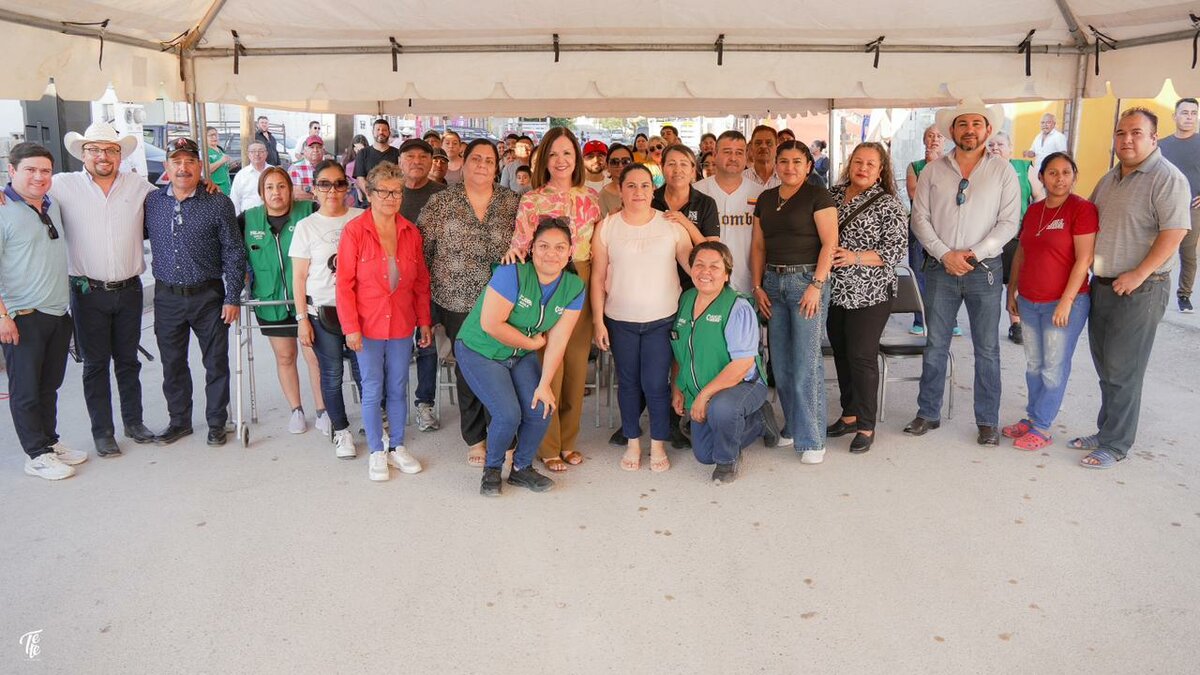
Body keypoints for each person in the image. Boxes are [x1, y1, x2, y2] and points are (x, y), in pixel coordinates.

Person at [1077, 108, 1190, 469]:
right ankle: (1105, 431)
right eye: (1121, 133)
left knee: (1124, 370)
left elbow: (1175, 232)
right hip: (1104, 284)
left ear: (1154, 138)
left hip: (1141, 289)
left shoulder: (1167, 178)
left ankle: (1115, 444)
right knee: (1106, 366)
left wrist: (1139, 274)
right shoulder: (1110, 178)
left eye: (1136, 133)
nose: (1127, 139)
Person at [906, 99, 1020, 446]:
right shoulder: (932, 171)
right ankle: (928, 412)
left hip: (984, 270)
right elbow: (919, 219)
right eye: (962, 124)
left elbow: (1008, 223)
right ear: (952, 130)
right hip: (940, 269)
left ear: (988, 130)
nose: (969, 130)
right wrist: (944, 254)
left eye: (976, 124)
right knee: (935, 345)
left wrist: (973, 254)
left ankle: (987, 421)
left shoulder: (1003, 171)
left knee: (987, 349)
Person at [50, 123, 158, 456]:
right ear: (83, 154)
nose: (103, 156)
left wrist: (206, 185)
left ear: (120, 155)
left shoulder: (138, 185)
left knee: (128, 361)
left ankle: (134, 423)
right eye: (95, 149)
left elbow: (173, 198)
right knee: (95, 365)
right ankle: (103, 432)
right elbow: (27, 191)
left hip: (129, 290)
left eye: (111, 149)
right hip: (87, 292)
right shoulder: (62, 185)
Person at [455, 219, 584, 496]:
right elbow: (491, 324)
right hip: (481, 350)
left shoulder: (574, 287)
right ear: (532, 248)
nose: (551, 254)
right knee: (507, 414)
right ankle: (492, 469)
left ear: (570, 252)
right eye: (544, 246)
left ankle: (521, 468)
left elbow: (558, 341)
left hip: (520, 355)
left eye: (560, 247)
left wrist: (544, 384)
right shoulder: (511, 273)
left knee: (541, 407)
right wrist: (531, 342)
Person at [502, 126, 600, 472]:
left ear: (577, 159)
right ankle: (548, 444)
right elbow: (520, 244)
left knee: (576, 363)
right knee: (548, 363)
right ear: (544, 159)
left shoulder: (591, 199)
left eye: (567, 153)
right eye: (554, 154)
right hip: (545, 281)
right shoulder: (532, 200)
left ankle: (569, 440)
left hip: (582, 278)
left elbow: (599, 250)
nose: (561, 160)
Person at [418, 139, 519, 466]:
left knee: (502, 367)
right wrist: (427, 304)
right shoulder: (441, 201)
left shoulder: (512, 202)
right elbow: (423, 251)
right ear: (463, 162)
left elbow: (525, 247)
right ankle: (475, 438)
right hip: (456, 299)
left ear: (497, 166)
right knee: (469, 370)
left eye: (489, 160)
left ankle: (503, 434)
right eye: (476, 158)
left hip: (502, 300)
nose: (482, 165)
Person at [145, 137, 247, 447]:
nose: (183, 167)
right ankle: (179, 421)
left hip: (208, 296)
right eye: (176, 162)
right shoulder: (152, 202)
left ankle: (217, 422)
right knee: (172, 363)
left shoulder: (218, 202)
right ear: (166, 167)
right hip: (167, 297)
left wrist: (232, 297)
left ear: (200, 166)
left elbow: (234, 251)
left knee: (215, 362)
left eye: (190, 161)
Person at [592, 163, 693, 472]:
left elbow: (694, 267)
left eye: (645, 185)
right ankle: (633, 442)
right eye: (631, 186)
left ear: (654, 189)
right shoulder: (607, 226)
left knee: (656, 384)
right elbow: (597, 277)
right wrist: (598, 321)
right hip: (620, 320)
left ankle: (658, 443)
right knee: (628, 383)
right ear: (620, 190)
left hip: (662, 319)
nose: (638, 191)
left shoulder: (670, 224)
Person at [336, 161, 432, 481]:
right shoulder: (355, 231)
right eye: (384, 191)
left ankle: (397, 446)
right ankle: (377, 449)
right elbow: (344, 285)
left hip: (402, 322)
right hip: (367, 324)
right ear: (370, 192)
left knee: (398, 385)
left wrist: (424, 321)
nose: (391, 198)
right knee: (372, 387)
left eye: (397, 192)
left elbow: (421, 282)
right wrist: (350, 327)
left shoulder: (410, 232)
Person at [1, 142, 88, 479]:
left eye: (45, 170)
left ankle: (49, 442)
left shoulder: (52, 203)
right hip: (21, 315)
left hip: (56, 313)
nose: (39, 176)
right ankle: (35, 454)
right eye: (30, 170)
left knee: (49, 385)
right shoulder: (3, 209)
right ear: (12, 171)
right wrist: (2, 316)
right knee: (26, 390)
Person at [750, 140, 838, 463]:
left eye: (797, 161)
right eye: (784, 161)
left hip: (806, 282)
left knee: (806, 363)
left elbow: (830, 243)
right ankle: (792, 426)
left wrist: (817, 284)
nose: (789, 167)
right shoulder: (766, 199)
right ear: (776, 165)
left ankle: (812, 439)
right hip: (773, 284)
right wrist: (757, 286)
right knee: (782, 364)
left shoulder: (818, 196)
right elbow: (758, 247)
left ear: (808, 165)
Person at [1003, 152, 1097, 451]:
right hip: (1030, 299)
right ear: (1041, 177)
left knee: (1053, 365)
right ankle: (1033, 417)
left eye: (1066, 172)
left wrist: (1066, 301)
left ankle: (1042, 426)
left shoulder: (1082, 209)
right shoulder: (1034, 211)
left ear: (1074, 176)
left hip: (1065, 302)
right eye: (1053, 173)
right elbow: (1021, 252)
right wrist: (1012, 290)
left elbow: (1084, 259)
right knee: (1034, 364)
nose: (1059, 179)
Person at [672, 242, 780, 484]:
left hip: (743, 384)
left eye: (714, 267)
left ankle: (728, 460)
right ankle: (755, 422)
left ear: (727, 274)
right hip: (704, 390)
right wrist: (677, 387)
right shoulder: (686, 299)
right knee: (704, 454)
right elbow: (679, 349)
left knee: (722, 410)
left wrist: (704, 396)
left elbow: (741, 365)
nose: (705, 272)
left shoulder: (737, 306)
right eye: (699, 265)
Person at [825, 142, 908, 454]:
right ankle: (849, 414)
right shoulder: (833, 195)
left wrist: (855, 257)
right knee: (842, 353)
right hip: (835, 291)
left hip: (870, 293)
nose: (863, 168)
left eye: (870, 164)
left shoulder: (889, 204)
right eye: (858, 162)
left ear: (880, 170)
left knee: (861, 355)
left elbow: (895, 251)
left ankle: (866, 425)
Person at [240, 167, 325, 435]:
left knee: (314, 356)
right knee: (286, 356)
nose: (276, 192)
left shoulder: (309, 211)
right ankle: (296, 410)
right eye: (269, 187)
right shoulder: (247, 220)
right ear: (261, 193)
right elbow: (233, 255)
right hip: (271, 303)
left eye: (281, 186)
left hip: (308, 300)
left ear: (290, 189)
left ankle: (323, 410)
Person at [291, 161, 363, 459]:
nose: (332, 190)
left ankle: (375, 424)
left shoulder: (362, 218)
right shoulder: (306, 227)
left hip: (360, 311)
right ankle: (341, 430)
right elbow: (299, 277)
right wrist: (302, 320)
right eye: (324, 184)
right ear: (314, 189)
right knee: (331, 374)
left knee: (365, 373)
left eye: (338, 183)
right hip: (323, 311)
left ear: (347, 188)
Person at [393, 138, 447, 432]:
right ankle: (389, 406)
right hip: (392, 285)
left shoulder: (442, 195)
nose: (417, 161)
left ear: (431, 162)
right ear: (399, 161)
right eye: (410, 156)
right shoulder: (390, 192)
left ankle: (425, 404)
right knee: (393, 347)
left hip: (431, 283)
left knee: (427, 345)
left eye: (423, 157)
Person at [694, 130, 764, 294]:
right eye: (727, 152)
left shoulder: (760, 194)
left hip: (748, 284)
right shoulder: (696, 192)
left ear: (746, 156)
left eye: (739, 153)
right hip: (704, 284)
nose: (733, 158)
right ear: (715, 154)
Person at [989, 130, 1041, 345]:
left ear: (1010, 148)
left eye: (1000, 144)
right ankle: (987, 325)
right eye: (991, 145)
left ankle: (1017, 323)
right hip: (989, 236)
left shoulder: (1024, 168)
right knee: (989, 284)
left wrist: (1033, 227)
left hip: (1018, 235)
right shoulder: (983, 169)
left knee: (1016, 280)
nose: (995, 148)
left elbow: (1039, 197)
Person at [905, 124, 949, 336]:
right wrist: (931, 167)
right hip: (919, 227)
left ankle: (948, 319)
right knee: (919, 273)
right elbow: (914, 194)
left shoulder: (952, 166)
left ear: (945, 141)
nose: (934, 139)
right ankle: (920, 319)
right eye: (930, 136)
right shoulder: (914, 166)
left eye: (939, 136)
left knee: (946, 273)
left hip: (945, 226)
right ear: (924, 140)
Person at [1157, 97, 1200, 313]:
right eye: (1184, 113)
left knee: (1188, 253)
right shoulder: (1162, 145)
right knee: (1157, 249)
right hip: (1163, 207)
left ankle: (1184, 295)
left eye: (1194, 113)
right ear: (1175, 116)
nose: (1189, 117)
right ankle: (1152, 290)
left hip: (1192, 207)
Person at [354, 119, 400, 199]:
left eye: (384, 130)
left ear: (389, 133)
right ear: (373, 132)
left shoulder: (397, 153)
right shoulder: (363, 153)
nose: (381, 132)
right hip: (370, 199)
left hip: (392, 198)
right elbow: (360, 178)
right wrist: (370, 195)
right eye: (378, 129)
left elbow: (401, 177)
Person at [229, 141, 269, 214]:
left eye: (261, 151)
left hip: (271, 216)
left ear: (266, 154)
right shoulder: (241, 175)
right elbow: (235, 200)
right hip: (247, 217)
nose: (257, 154)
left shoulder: (273, 172)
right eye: (253, 151)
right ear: (248, 154)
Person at [597, 144, 632, 217]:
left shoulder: (644, 189)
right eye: (614, 162)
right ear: (607, 166)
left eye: (626, 161)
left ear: (633, 164)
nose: (620, 165)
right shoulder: (602, 196)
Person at [288, 135, 324, 202]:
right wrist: (317, 197)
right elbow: (296, 194)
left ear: (323, 151)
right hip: (305, 208)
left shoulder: (328, 167)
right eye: (312, 147)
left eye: (319, 147)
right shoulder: (296, 168)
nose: (315, 150)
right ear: (304, 151)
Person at [342, 134, 369, 207]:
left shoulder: (367, 160)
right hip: (349, 191)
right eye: (356, 148)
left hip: (363, 190)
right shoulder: (347, 159)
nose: (358, 151)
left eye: (361, 149)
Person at [205, 127, 232, 195]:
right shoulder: (204, 152)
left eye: (216, 135)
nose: (214, 137)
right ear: (205, 137)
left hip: (226, 188)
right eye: (211, 135)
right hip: (215, 189)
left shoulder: (220, 150)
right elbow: (206, 170)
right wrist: (221, 161)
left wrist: (232, 165)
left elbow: (222, 169)